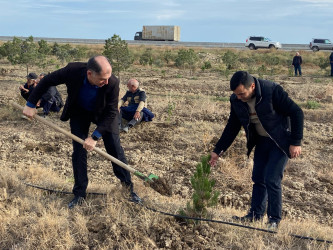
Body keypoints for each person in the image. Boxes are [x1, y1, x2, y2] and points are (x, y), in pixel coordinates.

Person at [22, 55, 141, 208]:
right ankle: (79, 194)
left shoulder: (112, 82)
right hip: (80, 111)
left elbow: (112, 112)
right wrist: (30, 104)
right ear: (89, 73)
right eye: (102, 79)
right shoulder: (72, 70)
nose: (106, 82)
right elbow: (47, 80)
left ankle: (128, 189)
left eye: (108, 78)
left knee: (115, 149)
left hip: (105, 114)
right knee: (79, 151)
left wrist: (95, 136)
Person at [209, 71, 303, 230]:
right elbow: (232, 127)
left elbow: (296, 112)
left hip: (280, 141)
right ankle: (255, 215)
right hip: (261, 141)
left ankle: (274, 220)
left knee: (272, 179)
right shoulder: (236, 101)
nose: (239, 97)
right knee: (258, 178)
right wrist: (218, 150)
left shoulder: (271, 91)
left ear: (252, 86)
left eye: (241, 93)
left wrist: (296, 142)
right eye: (236, 94)